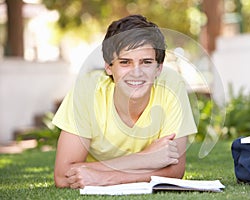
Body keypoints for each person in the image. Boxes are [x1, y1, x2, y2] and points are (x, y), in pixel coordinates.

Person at [52, 14, 197, 189]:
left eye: (146, 62)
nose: (136, 73)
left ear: (158, 67)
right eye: (125, 62)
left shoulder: (172, 85)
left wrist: (105, 178)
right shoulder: (85, 91)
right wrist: (144, 158)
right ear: (108, 67)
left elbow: (174, 172)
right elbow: (63, 176)